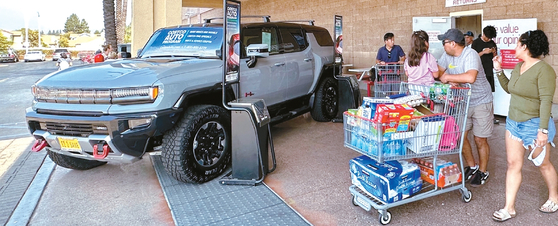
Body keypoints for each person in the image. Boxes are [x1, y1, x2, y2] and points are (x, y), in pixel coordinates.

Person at [491, 30, 558, 222]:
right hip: (513, 123)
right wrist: (498, 70)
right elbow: (510, 88)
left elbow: (546, 101)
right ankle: (509, 208)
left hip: (535, 124)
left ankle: (554, 197)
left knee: (543, 165)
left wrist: (543, 131)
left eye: (517, 43)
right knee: (513, 164)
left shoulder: (544, 70)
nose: (514, 47)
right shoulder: (519, 66)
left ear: (524, 47)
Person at [436, 28, 494, 187]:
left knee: (480, 138)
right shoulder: (446, 55)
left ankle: (483, 171)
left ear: (453, 43)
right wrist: (448, 79)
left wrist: (449, 77)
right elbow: (438, 74)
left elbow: (470, 77)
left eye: (444, 42)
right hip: (463, 101)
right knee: (459, 136)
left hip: (481, 100)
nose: (443, 45)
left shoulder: (471, 54)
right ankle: (472, 166)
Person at [472, 26, 499, 124]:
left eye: (490, 38)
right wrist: (483, 52)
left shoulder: (492, 43)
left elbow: (495, 56)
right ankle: (477, 115)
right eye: (487, 37)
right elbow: (473, 56)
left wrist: (493, 52)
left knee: (489, 94)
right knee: (478, 92)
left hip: (489, 71)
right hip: (478, 72)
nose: (489, 40)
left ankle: (490, 116)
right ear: (483, 34)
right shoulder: (476, 43)